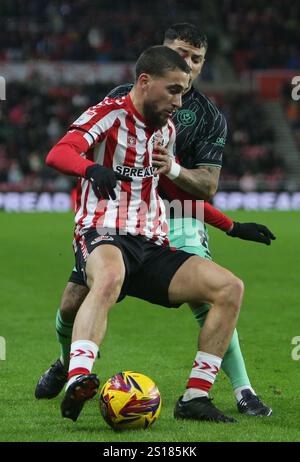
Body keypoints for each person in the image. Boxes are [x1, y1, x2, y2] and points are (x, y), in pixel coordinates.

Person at [36, 25, 275, 418]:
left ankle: (196, 397)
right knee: (94, 288)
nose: (180, 101)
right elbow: (59, 153)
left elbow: (171, 190)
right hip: (104, 233)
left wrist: (232, 227)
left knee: (229, 287)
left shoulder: (166, 129)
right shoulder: (110, 112)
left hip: (152, 242)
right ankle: (78, 376)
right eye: (174, 90)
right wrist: (90, 168)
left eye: (184, 90)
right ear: (145, 82)